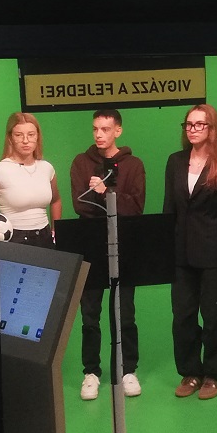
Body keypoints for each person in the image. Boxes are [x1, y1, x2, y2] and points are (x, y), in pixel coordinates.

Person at [70, 108, 146, 401]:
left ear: (118, 131)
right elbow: (80, 205)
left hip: (124, 245)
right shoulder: (81, 162)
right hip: (90, 244)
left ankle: (128, 371)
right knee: (90, 313)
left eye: (105, 129)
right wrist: (113, 202)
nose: (99, 134)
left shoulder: (134, 165)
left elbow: (135, 207)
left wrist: (104, 192)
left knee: (125, 311)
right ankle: (91, 373)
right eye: (95, 129)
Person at [164, 104, 217, 400]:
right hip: (180, 253)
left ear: (212, 128)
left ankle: (213, 374)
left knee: (214, 316)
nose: (192, 129)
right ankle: (190, 372)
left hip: (214, 253)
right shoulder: (175, 161)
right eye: (188, 124)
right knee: (183, 316)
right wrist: (164, 251)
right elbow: (169, 208)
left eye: (199, 124)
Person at [0, 112, 61, 248]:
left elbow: (56, 200)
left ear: (37, 136)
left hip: (45, 237)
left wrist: (56, 230)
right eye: (19, 135)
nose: (25, 140)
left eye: (31, 134)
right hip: (14, 239)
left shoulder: (46, 168)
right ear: (10, 138)